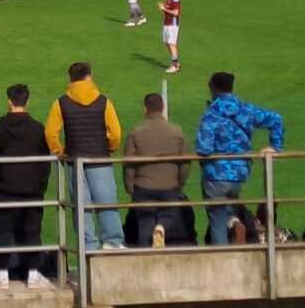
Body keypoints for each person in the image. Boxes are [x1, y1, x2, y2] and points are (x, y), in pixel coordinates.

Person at [196, 72, 284, 246]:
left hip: (216, 174)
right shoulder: (246, 109)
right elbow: (276, 120)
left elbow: (203, 148)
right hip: (240, 174)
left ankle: (222, 260)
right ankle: (235, 223)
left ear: (212, 88)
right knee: (229, 205)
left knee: (217, 221)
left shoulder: (211, 114)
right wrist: (275, 147)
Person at [44, 62, 124, 250]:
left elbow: (50, 133)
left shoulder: (60, 102)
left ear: (70, 79)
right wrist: (110, 148)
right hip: (100, 159)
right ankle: (113, 241)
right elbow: (116, 133)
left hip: (74, 160)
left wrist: (60, 152)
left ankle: (87, 244)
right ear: (90, 76)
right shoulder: (104, 101)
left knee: (81, 207)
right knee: (107, 203)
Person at [0, 84, 53, 290]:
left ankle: (2, 274)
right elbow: (45, 162)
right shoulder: (38, 128)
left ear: (9, 101)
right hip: (32, 188)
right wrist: (41, 185)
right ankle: (33, 274)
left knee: (2, 230)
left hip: (4, 188)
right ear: (27, 101)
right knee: (32, 230)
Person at [123, 93, 190, 249]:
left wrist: (130, 186)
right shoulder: (177, 131)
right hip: (169, 185)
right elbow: (186, 162)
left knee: (145, 225)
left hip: (143, 186)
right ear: (163, 108)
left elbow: (128, 163)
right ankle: (161, 226)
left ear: (145, 109)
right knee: (169, 214)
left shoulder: (136, 132)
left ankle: (145, 262)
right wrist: (180, 182)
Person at [158, 0, 181, 74]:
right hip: (167, 24)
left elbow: (176, 13)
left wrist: (164, 9)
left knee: (171, 44)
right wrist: (162, 7)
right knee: (168, 43)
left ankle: (175, 66)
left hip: (172, 25)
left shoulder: (175, 0)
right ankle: (176, 63)